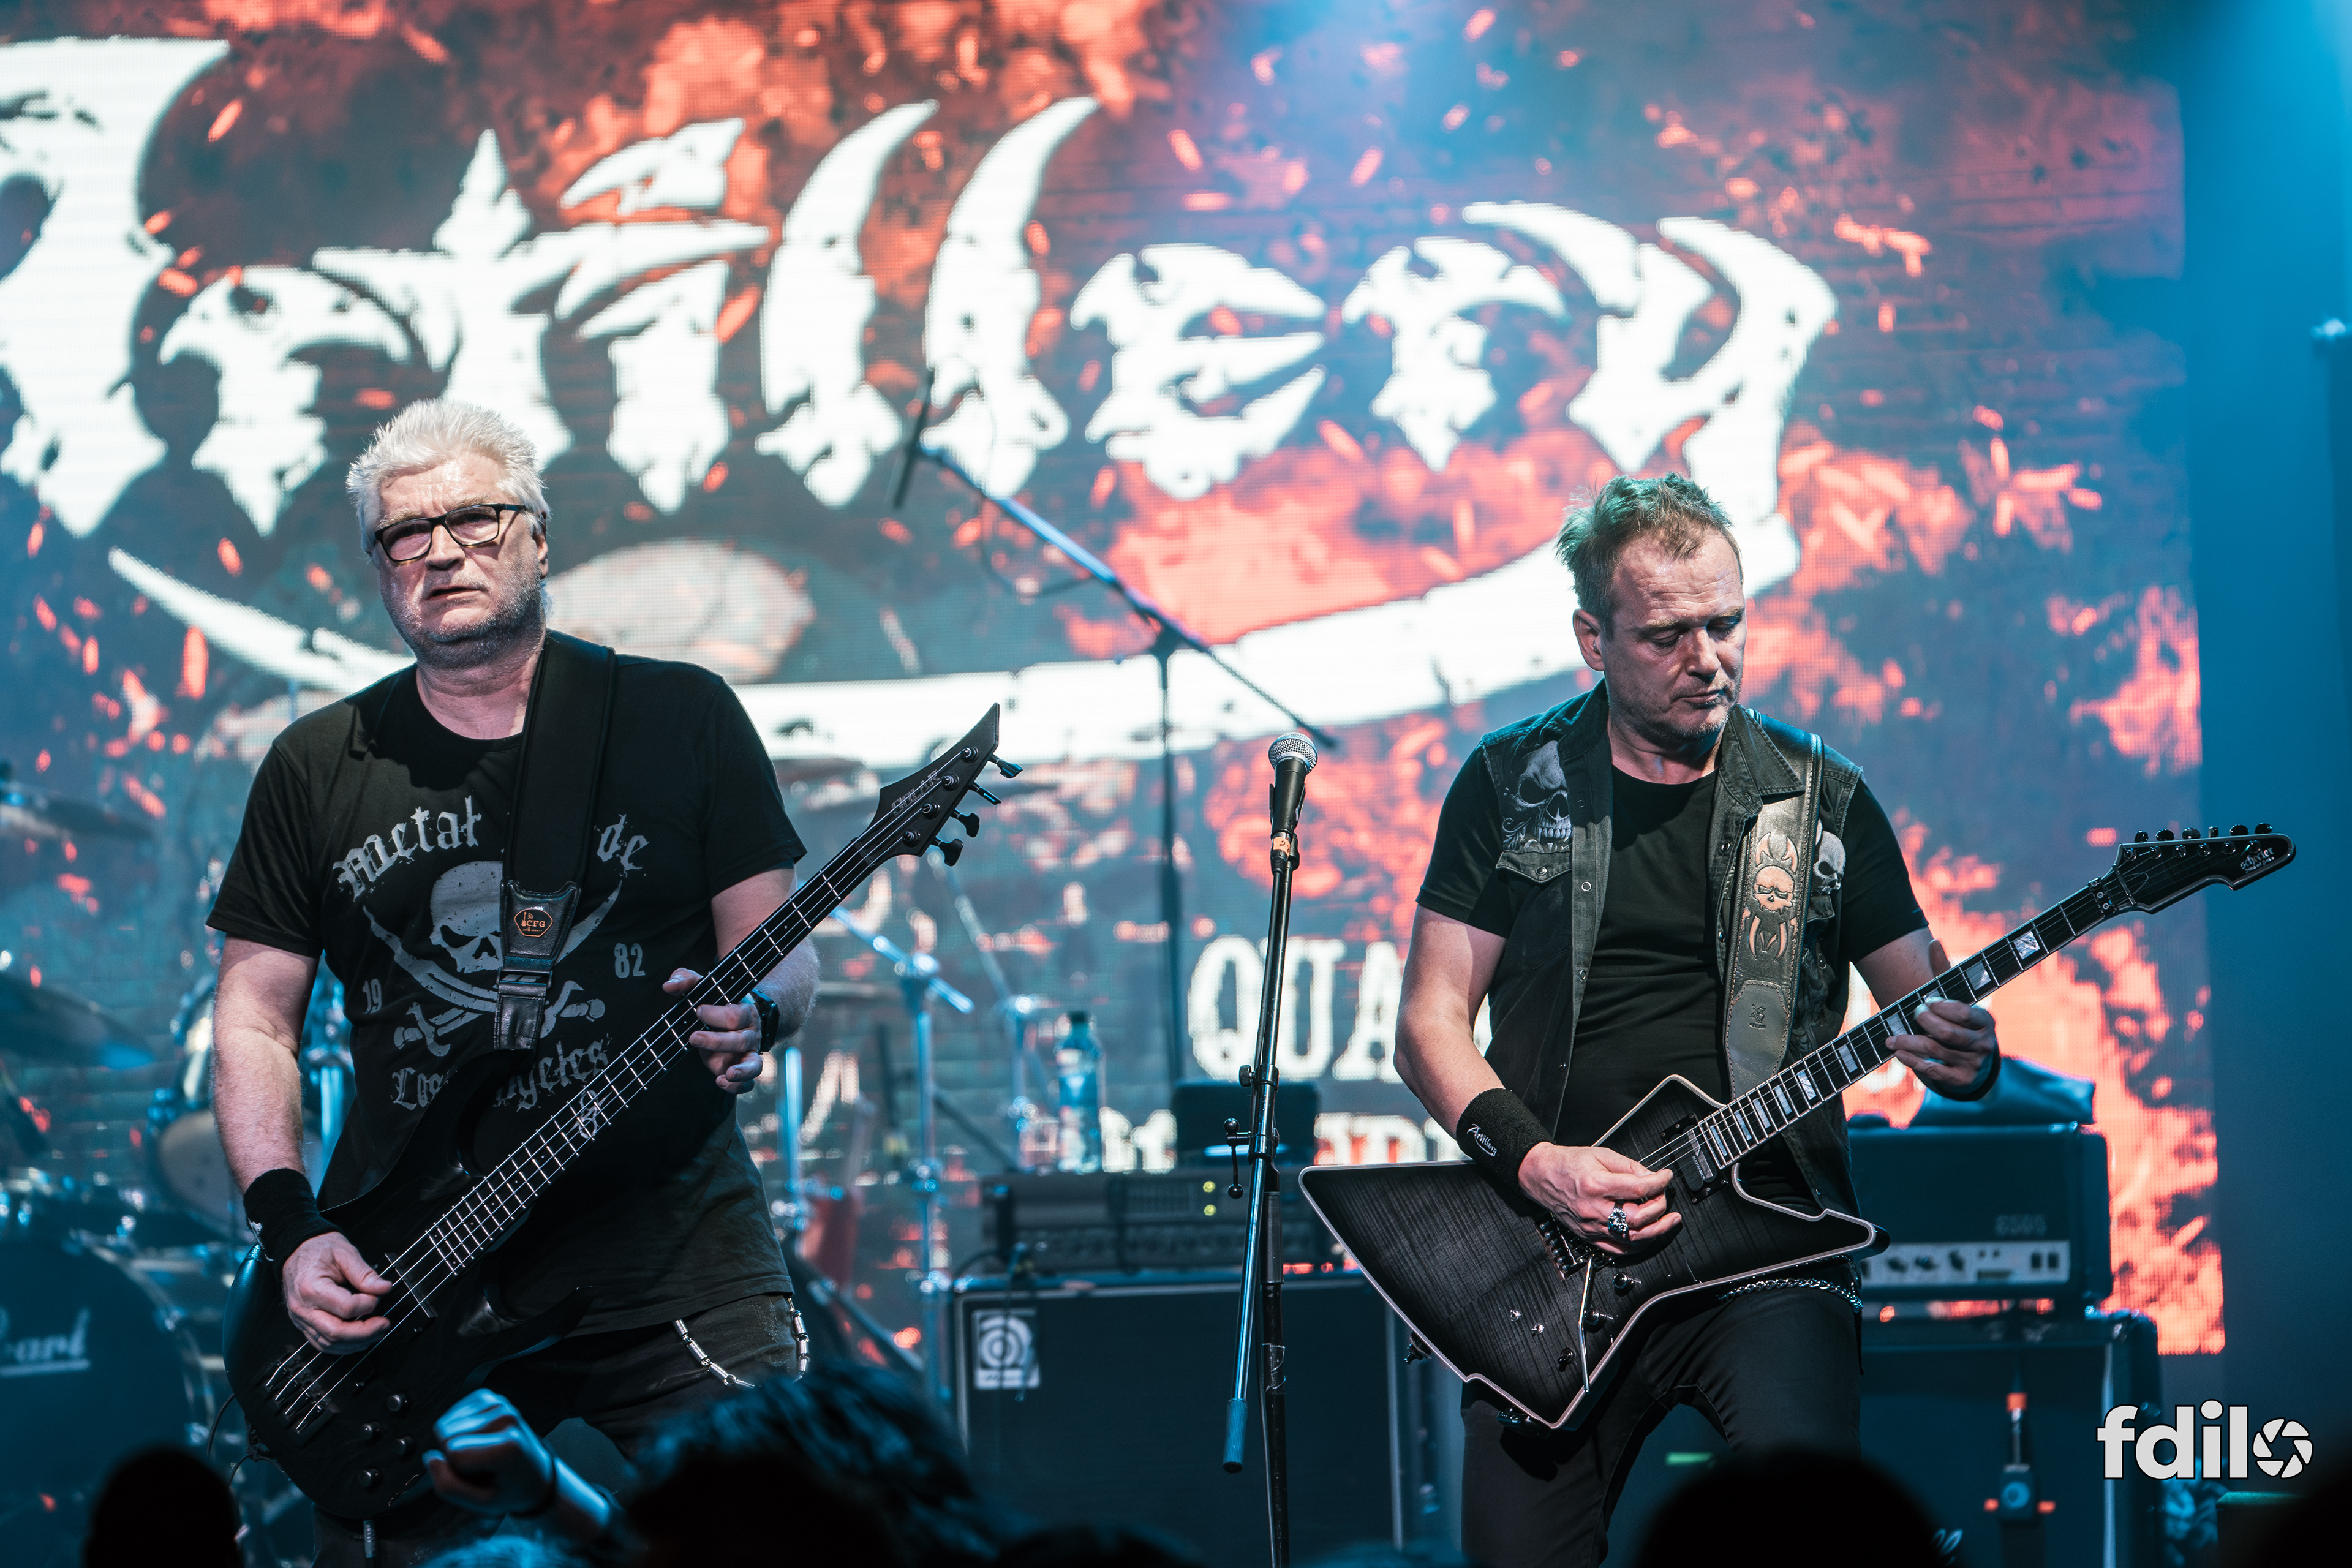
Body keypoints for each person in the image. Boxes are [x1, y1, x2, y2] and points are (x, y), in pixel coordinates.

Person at [206, 398, 820, 1567]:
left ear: (537, 535)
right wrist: (289, 1231)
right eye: (406, 534)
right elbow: (255, 1018)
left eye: (474, 520)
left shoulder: (679, 715)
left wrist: (760, 1011)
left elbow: (778, 944)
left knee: (786, 1536)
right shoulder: (317, 767)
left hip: (674, 1252)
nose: (441, 552)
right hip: (418, 1279)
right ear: (381, 569)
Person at [1392, 474, 2002, 1568]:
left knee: (1813, 1538)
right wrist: (1536, 1165)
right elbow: (1429, 1021)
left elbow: (1929, 1005)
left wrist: (1967, 1055)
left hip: (1771, 1245)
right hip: (1557, 1255)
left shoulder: (1821, 797)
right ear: (1594, 640)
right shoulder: (1512, 782)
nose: (1708, 658)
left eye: (1725, 624)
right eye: (1668, 635)